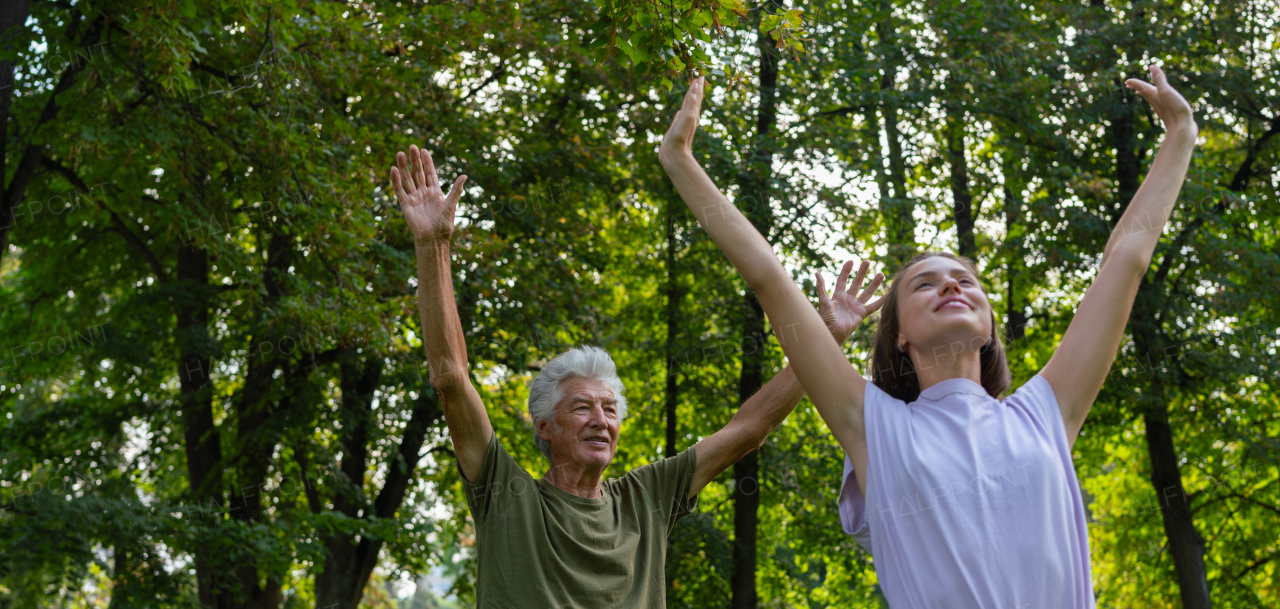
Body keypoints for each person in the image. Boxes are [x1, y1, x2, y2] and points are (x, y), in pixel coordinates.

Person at [659, 66, 1196, 608]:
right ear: (898, 337)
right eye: (925, 284)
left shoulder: (1045, 412)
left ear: (988, 326)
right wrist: (680, 161)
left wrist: (1180, 135)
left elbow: (1125, 259)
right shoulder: (875, 426)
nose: (951, 287)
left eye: (965, 280)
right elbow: (770, 278)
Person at [386, 145, 885, 608]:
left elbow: (748, 430)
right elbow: (452, 377)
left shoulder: (646, 498)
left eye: (609, 409)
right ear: (544, 427)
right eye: (581, 406)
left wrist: (824, 339)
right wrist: (433, 244)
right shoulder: (506, 492)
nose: (601, 420)